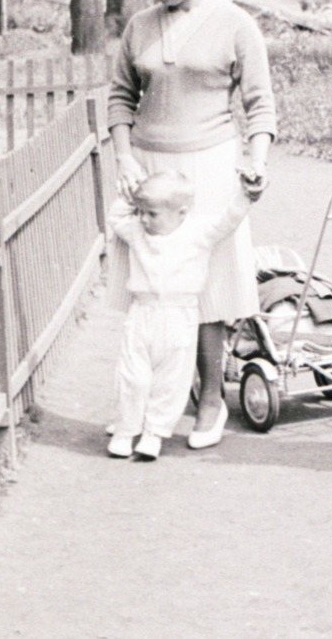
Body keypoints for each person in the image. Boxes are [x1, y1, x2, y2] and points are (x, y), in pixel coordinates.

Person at [106, 0, 276, 450]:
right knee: (152, 289)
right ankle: (149, 403)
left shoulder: (235, 23)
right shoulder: (140, 26)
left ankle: (209, 400)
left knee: (206, 291)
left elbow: (259, 102)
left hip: (209, 165)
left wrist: (257, 158)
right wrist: (124, 157)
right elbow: (119, 96)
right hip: (152, 170)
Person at [105, 170, 251, 460]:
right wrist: (127, 197)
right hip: (142, 313)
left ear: (181, 213)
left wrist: (246, 195)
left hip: (179, 316)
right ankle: (125, 430)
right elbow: (116, 219)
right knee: (132, 375)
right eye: (141, 212)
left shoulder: (197, 233)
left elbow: (228, 221)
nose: (144, 219)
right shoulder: (137, 231)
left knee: (171, 379)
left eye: (152, 214)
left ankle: (154, 433)